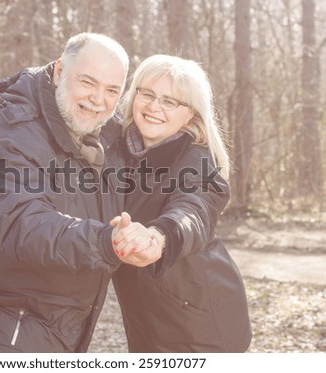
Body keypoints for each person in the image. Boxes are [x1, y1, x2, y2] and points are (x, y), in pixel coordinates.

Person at [0, 33, 159, 353]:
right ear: (59, 72)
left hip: (58, 314)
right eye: (87, 82)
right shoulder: (13, 136)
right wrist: (105, 241)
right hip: (1, 312)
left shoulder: (104, 135)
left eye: (112, 90)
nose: (98, 99)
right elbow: (23, 223)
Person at [110, 54, 252, 352]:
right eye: (147, 94)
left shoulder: (195, 159)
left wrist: (160, 236)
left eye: (170, 101)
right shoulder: (118, 150)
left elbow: (193, 209)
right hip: (146, 319)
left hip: (199, 323)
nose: (153, 107)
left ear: (191, 115)